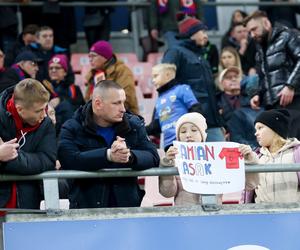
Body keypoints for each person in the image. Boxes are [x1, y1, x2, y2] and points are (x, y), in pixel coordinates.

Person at [58, 80, 160, 208]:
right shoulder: (72, 127)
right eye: (116, 103)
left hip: (127, 209)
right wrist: (108, 155)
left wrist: (130, 156)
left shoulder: (133, 124)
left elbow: (153, 157)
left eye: (123, 102)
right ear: (98, 104)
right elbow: (68, 159)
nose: (123, 109)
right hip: (86, 210)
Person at [162, 15, 224, 142]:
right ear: (191, 33)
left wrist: (219, 121)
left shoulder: (200, 56)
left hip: (211, 121)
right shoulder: (175, 52)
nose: (206, 36)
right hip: (191, 123)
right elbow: (165, 83)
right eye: (203, 32)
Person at [0, 78, 56, 209]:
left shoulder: (46, 123)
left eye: (45, 108)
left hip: (29, 203)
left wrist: (8, 157)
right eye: (38, 111)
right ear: (19, 109)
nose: (44, 115)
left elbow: (47, 160)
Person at [159, 112, 221, 205]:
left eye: (194, 130)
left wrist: (249, 160)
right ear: (178, 136)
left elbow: (250, 185)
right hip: (184, 215)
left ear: (203, 135)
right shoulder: (172, 160)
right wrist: (167, 164)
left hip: (214, 214)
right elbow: (167, 193)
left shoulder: (217, 158)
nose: (188, 135)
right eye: (183, 131)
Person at [239, 109, 300, 203]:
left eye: (260, 128)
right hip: (262, 215)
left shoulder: (296, 153)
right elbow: (249, 187)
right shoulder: (256, 157)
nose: (256, 133)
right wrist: (249, 161)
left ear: (274, 129)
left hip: (292, 215)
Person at [244, 10, 300, 110]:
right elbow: (262, 76)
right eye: (250, 32)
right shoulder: (259, 49)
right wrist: (257, 94)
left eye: (254, 29)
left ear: (266, 23)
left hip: (293, 99)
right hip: (272, 104)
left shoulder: (287, 35)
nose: (252, 35)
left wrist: (290, 86)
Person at [146, 63, 202, 151]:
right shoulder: (158, 100)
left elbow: (196, 111)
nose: (153, 80)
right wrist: (140, 130)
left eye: (155, 76)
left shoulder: (182, 89)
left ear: (167, 75)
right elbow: (156, 126)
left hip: (187, 141)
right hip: (169, 145)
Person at [85, 40, 139, 114]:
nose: (90, 59)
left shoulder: (122, 71)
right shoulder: (93, 74)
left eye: (93, 56)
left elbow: (126, 99)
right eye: (89, 56)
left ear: (105, 57)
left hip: (124, 117)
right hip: (99, 117)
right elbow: (88, 100)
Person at [43, 54, 85, 134]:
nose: (53, 70)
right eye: (51, 68)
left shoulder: (74, 89)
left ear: (65, 72)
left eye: (57, 68)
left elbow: (81, 109)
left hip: (70, 126)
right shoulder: (43, 88)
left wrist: (61, 100)